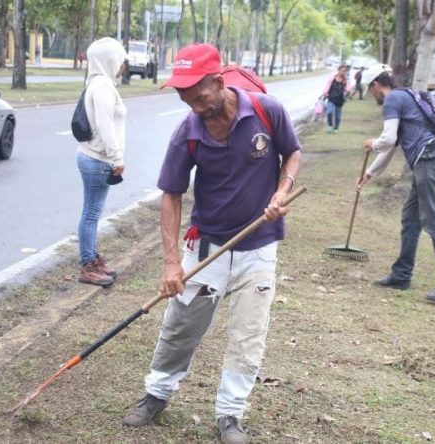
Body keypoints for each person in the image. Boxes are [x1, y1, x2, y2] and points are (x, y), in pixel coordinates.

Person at [121, 44, 302, 444]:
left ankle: (230, 414)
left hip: (259, 246)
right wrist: (172, 265)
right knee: (181, 324)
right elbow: (171, 195)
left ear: (219, 82)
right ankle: (157, 394)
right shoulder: (188, 131)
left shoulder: (266, 112)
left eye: (199, 94)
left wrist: (282, 191)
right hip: (206, 248)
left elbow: (292, 154)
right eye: (183, 96)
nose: (193, 104)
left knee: (248, 332)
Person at [355, 64, 435, 303]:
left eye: (370, 89)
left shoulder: (392, 100)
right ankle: (401, 275)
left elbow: (387, 140)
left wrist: (372, 143)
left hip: (429, 158)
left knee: (433, 218)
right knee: (410, 218)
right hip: (428, 159)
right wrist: (370, 174)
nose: (371, 94)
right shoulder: (404, 96)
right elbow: (392, 145)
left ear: (376, 85)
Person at [76, 37, 127, 287]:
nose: (121, 65)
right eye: (118, 60)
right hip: (97, 158)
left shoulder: (96, 83)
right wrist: (117, 158)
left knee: (91, 212)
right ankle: (87, 265)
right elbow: (106, 126)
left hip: (92, 156)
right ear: (109, 60)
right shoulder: (103, 86)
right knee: (91, 213)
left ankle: (93, 259)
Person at [320, 64, 351, 134]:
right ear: (338, 70)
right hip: (331, 98)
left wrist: (346, 84)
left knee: (338, 115)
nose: (343, 72)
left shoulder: (345, 79)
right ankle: (330, 126)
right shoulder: (332, 78)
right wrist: (324, 93)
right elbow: (327, 86)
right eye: (342, 70)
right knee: (329, 112)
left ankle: (336, 128)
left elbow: (348, 90)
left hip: (340, 99)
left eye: (345, 71)